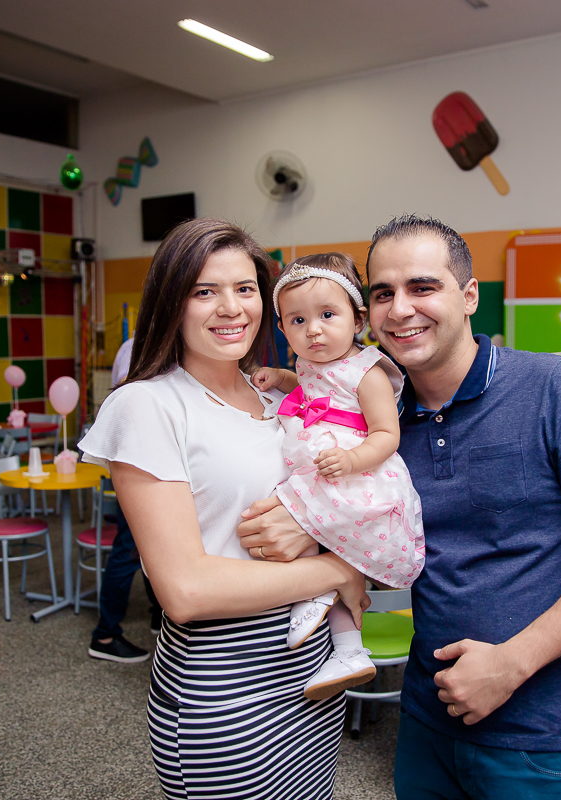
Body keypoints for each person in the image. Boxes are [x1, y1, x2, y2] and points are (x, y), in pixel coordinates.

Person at [239, 215, 561, 797]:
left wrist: (513, 662)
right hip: (425, 721)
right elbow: (383, 535)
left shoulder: (552, 388)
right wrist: (308, 527)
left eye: (422, 286)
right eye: (382, 293)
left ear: (468, 296)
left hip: (541, 735)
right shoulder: (377, 418)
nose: (400, 309)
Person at [78, 218, 368, 799]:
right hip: (225, 689)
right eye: (204, 291)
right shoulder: (148, 405)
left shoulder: (283, 398)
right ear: (171, 301)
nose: (230, 307)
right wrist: (340, 569)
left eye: (245, 288)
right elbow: (184, 591)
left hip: (313, 673)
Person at [250, 253, 425, 699]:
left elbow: (387, 434)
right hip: (323, 472)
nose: (313, 329)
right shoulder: (310, 365)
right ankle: (349, 650)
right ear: (282, 328)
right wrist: (283, 377)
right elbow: (311, 390)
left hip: (358, 478)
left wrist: (352, 461)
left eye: (327, 315)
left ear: (358, 319)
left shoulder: (368, 371)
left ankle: (322, 604)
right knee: (321, 550)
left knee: (311, 535)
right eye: (298, 320)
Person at [87, 337, 163, 664]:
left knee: (149, 548)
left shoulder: (133, 345)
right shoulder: (141, 348)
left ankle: (158, 613)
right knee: (129, 549)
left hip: (146, 461)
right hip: (140, 462)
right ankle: (105, 634)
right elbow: (129, 395)